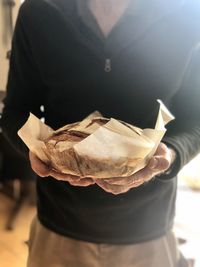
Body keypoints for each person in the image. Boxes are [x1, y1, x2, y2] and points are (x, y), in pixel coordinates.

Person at [1, 0, 200, 266]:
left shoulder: (186, 13)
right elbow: (15, 112)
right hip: (60, 228)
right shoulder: (39, 11)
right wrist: (34, 150)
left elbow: (194, 120)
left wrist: (171, 155)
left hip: (148, 231)